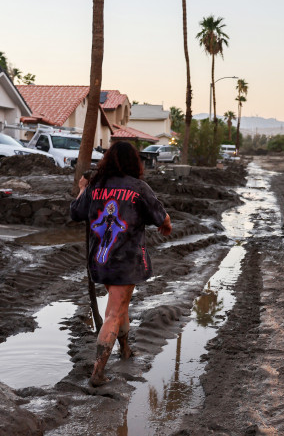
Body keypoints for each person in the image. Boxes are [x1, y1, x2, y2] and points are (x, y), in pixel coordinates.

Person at [71, 141, 172, 386]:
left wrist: (83, 188)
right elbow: (161, 216)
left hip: (100, 260)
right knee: (114, 313)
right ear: (133, 162)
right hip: (125, 261)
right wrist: (167, 226)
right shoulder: (138, 188)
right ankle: (97, 373)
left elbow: (76, 212)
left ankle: (125, 350)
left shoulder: (96, 186)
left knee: (121, 306)